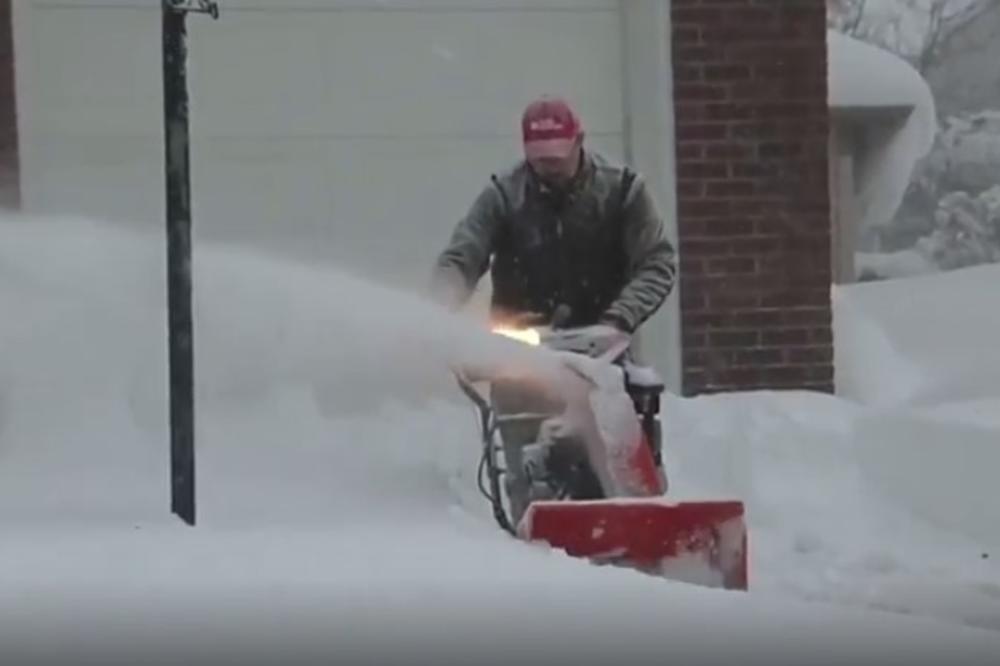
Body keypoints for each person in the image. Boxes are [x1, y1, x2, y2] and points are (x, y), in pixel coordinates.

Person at [430, 95, 677, 337]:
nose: (549, 169)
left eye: (557, 158)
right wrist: (440, 307)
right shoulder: (503, 195)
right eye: (540, 160)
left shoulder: (624, 191)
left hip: (604, 340)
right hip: (522, 344)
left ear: (579, 140)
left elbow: (657, 262)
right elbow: (462, 257)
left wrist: (620, 318)